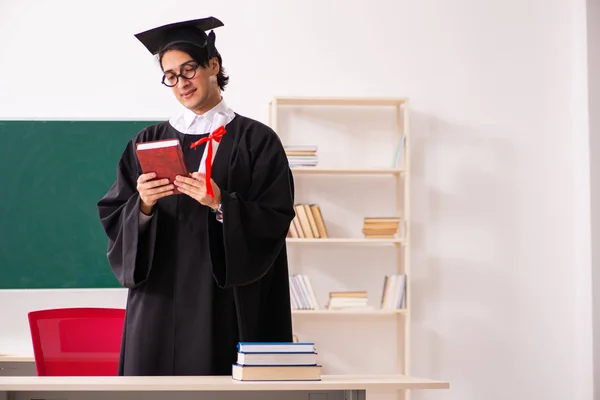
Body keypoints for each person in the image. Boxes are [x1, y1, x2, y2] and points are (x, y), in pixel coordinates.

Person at [96, 16, 296, 376]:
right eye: (170, 76)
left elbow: (276, 217)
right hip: (159, 301)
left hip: (224, 301)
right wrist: (142, 205)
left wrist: (221, 202)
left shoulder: (257, 141)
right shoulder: (147, 141)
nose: (181, 83)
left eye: (188, 70)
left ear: (213, 66)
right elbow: (114, 215)